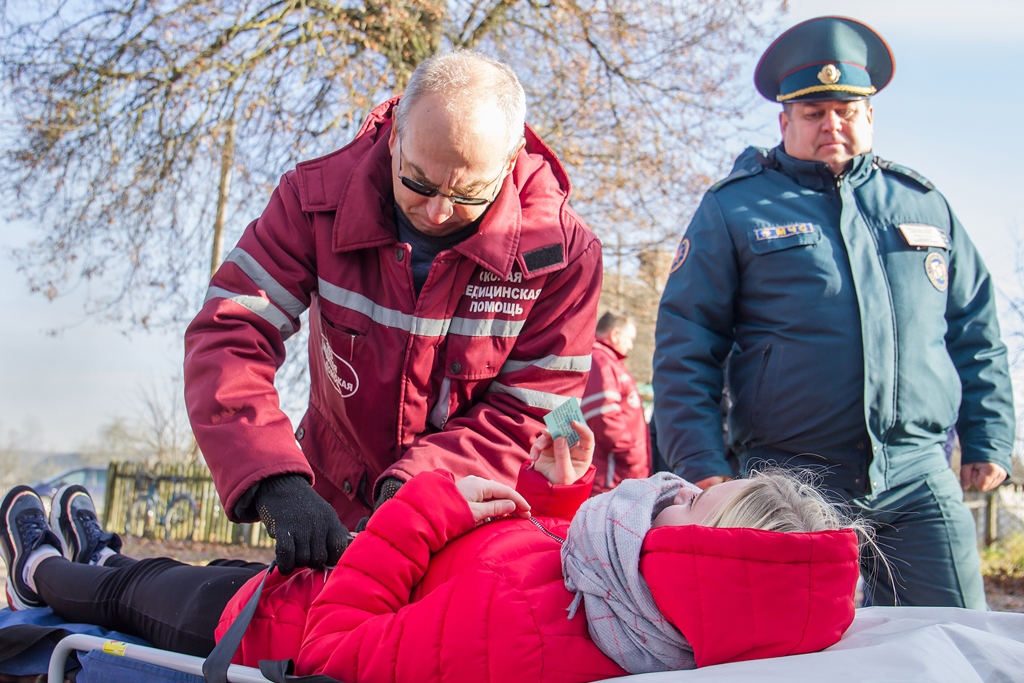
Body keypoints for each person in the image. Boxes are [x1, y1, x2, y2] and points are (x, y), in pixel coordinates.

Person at [1, 423, 862, 680]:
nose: (668, 489)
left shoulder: (531, 637)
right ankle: (95, 552)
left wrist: (417, 515)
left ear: (690, 558)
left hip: (272, 630)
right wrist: (561, 495)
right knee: (142, 574)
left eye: (688, 501)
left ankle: (40, 565)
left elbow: (337, 653)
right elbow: (544, 560)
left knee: (141, 590)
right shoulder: (629, 612)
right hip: (304, 587)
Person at [183, 50, 603, 573]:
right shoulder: (314, 201)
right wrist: (273, 479)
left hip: (459, 516)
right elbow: (229, 331)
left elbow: (527, 413)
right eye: (419, 182)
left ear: (513, 156)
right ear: (395, 135)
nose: (438, 211)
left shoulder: (562, 256)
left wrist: (415, 497)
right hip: (330, 499)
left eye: (469, 192)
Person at [653, 16, 1015, 610]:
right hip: (789, 481)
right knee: (794, 649)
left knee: (955, 641)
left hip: (918, 474)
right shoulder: (735, 208)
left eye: (846, 109)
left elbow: (976, 328)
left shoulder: (924, 203)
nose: (832, 125)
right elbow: (687, 343)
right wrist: (700, 460)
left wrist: (990, 437)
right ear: (785, 121)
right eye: (814, 112)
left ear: (869, 115)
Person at [581, 310, 651, 494]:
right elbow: (602, 414)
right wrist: (632, 454)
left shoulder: (609, 361)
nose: (630, 346)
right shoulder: (600, 360)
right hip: (610, 477)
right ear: (615, 334)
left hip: (618, 475)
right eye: (629, 338)